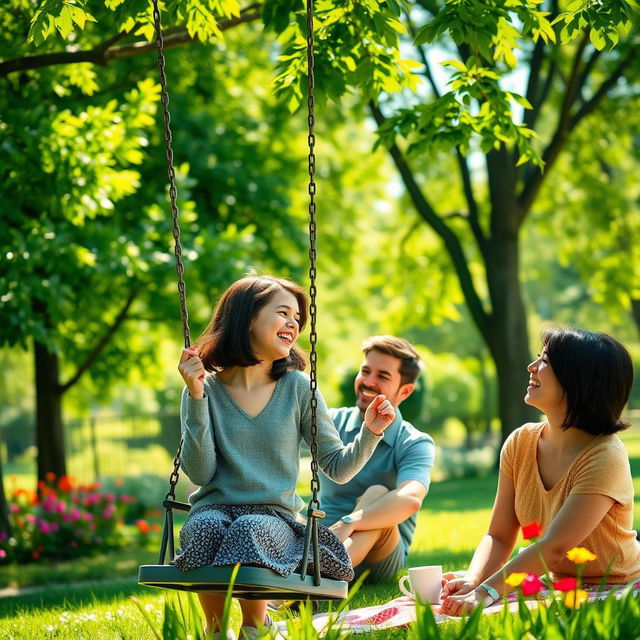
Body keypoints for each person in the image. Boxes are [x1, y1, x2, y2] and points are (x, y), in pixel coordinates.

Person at [175, 275, 397, 639]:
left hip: (272, 518)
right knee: (202, 526)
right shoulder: (204, 388)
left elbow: (338, 468)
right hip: (215, 507)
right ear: (248, 318)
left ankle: (254, 628)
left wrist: (370, 431)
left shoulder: (297, 388)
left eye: (297, 317)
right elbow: (201, 472)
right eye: (282, 313)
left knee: (250, 528)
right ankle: (213, 631)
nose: (294, 323)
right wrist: (197, 399)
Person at [440, 327, 640, 616]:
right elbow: (498, 534)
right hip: (556, 583)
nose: (531, 367)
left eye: (545, 361)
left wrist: (486, 593)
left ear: (578, 379)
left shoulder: (604, 456)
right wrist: (474, 579)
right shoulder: (521, 442)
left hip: (617, 586)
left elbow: (555, 547)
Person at [320, 336, 435, 584]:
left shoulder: (415, 442)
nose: (368, 381)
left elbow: (411, 498)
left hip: (380, 559)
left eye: (383, 376)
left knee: (377, 492)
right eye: (365, 371)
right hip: (322, 542)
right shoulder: (331, 422)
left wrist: (348, 524)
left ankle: (319, 582)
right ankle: (319, 572)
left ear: (404, 391)